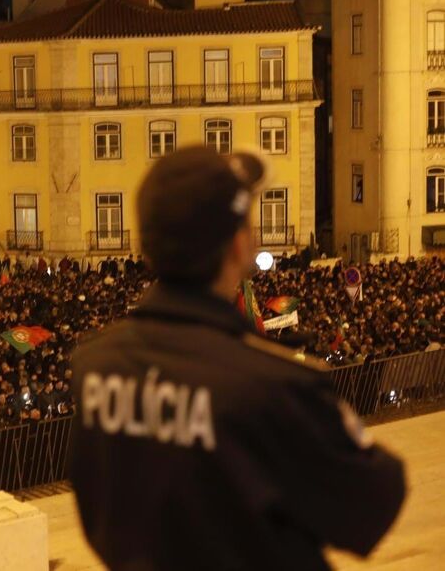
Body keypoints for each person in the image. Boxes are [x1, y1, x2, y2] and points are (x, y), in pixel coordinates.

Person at [68, 146, 406, 571]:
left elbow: (99, 508)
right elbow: (373, 500)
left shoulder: (95, 365)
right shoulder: (272, 384)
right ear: (239, 244)